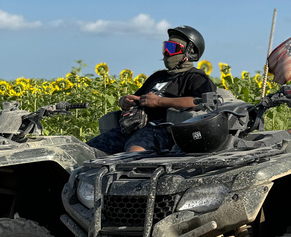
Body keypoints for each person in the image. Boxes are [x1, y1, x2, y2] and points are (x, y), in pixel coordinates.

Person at [87, 26, 216, 155]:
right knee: (86, 151)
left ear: (189, 52)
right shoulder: (158, 76)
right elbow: (137, 97)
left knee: (133, 155)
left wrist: (159, 102)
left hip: (163, 131)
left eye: (171, 48)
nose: (165, 53)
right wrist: (125, 101)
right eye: (165, 47)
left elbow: (199, 103)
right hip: (133, 128)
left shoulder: (196, 78)